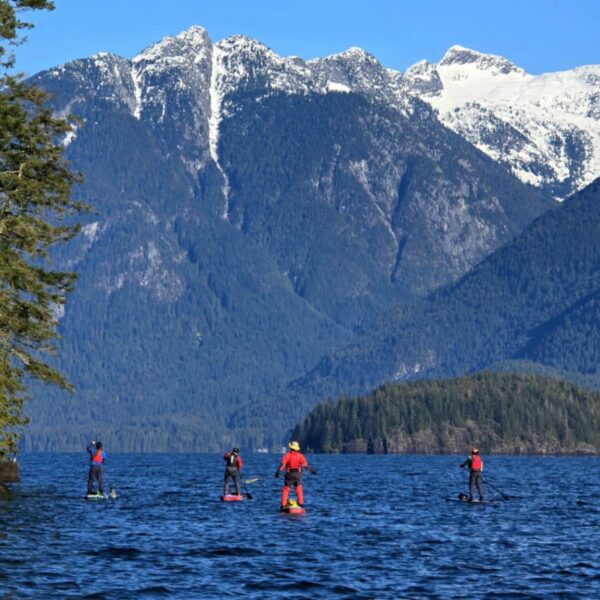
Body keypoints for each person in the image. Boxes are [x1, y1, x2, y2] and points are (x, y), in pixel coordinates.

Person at [274, 441, 316, 508]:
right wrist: (312, 471)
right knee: (299, 489)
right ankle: (300, 504)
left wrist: (277, 473)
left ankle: (283, 505)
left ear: (291, 448)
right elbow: (305, 465)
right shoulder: (300, 456)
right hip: (297, 475)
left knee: (286, 489)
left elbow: (282, 465)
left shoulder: (287, 455)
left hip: (289, 475)